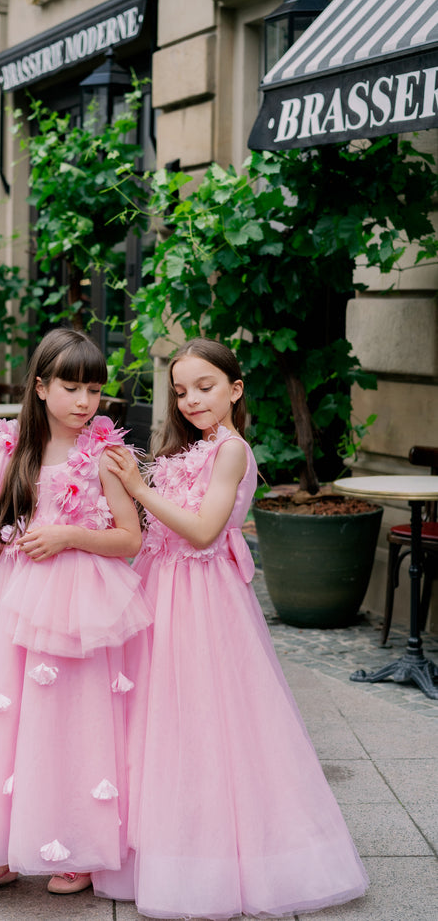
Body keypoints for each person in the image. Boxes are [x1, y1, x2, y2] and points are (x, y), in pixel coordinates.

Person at [106, 338, 369, 920]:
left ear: (235, 388)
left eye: (205, 387)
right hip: (162, 585)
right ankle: (159, 848)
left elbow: (202, 531)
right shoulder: (189, 448)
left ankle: (218, 858)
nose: (192, 400)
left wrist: (140, 487)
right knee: (158, 718)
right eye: (181, 391)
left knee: (206, 719)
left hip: (201, 597)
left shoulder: (230, 450)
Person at [0, 328, 152, 904]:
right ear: (41, 387)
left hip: (81, 604)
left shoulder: (107, 457)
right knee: (4, 719)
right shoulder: (10, 450)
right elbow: (5, 542)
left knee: (72, 720)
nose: (84, 402)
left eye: (94, 389)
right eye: (71, 387)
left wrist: (71, 534)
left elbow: (130, 540)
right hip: (15, 602)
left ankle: (77, 847)